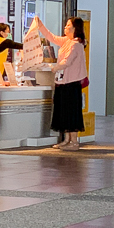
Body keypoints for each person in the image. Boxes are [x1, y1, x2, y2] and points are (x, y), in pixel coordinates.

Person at [32, 16, 87, 151]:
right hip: (62, 82)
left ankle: (74, 141)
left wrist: (53, 68)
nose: (65, 27)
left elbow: (67, 62)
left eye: (68, 26)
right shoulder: (67, 41)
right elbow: (52, 37)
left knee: (71, 112)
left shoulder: (75, 44)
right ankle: (67, 139)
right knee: (64, 112)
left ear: (75, 28)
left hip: (71, 84)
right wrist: (40, 25)